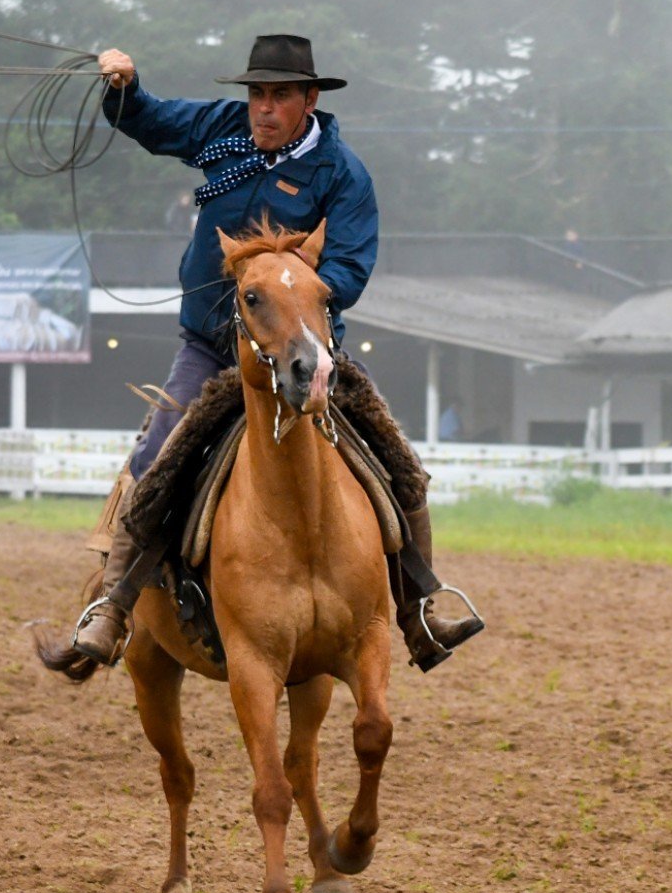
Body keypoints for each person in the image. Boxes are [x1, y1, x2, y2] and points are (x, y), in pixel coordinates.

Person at [71, 33, 483, 671]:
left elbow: (346, 268)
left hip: (304, 350)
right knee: (153, 456)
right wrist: (123, 87)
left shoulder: (343, 173)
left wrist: (285, 296)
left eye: (280, 96)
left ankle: (419, 610)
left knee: (398, 460)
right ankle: (114, 606)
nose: (264, 108)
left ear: (309, 100)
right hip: (210, 347)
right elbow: (150, 121)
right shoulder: (220, 127)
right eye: (258, 94)